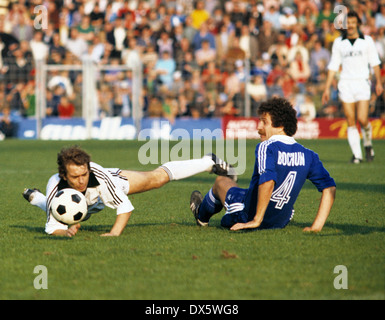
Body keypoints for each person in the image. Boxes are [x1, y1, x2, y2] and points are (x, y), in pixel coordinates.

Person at [189, 97, 336, 233]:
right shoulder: (308, 155)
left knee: (221, 181)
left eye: (264, 122)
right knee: (245, 190)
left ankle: (201, 216)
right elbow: (329, 187)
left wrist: (256, 220)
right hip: (280, 221)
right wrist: (316, 227)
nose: (259, 127)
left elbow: (268, 181)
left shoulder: (267, 147)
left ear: (280, 126)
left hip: (248, 216)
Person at [23, 146, 236, 237]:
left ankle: (208, 162)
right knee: (58, 212)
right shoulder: (56, 188)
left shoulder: (97, 174)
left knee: (157, 178)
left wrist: (114, 233)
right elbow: (52, 228)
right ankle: (37, 197)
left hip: (113, 183)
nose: (81, 180)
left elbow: (124, 207)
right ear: (63, 176)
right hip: (80, 207)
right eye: (75, 177)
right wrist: (66, 232)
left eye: (84, 175)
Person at [322, 11, 383, 163]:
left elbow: (375, 63)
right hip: (345, 83)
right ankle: (357, 155)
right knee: (350, 119)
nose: (350, 25)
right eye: (348, 22)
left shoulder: (367, 41)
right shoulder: (339, 42)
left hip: (362, 82)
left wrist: (379, 83)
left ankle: (368, 144)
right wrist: (326, 88)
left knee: (362, 119)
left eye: (353, 22)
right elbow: (333, 66)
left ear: (358, 24)